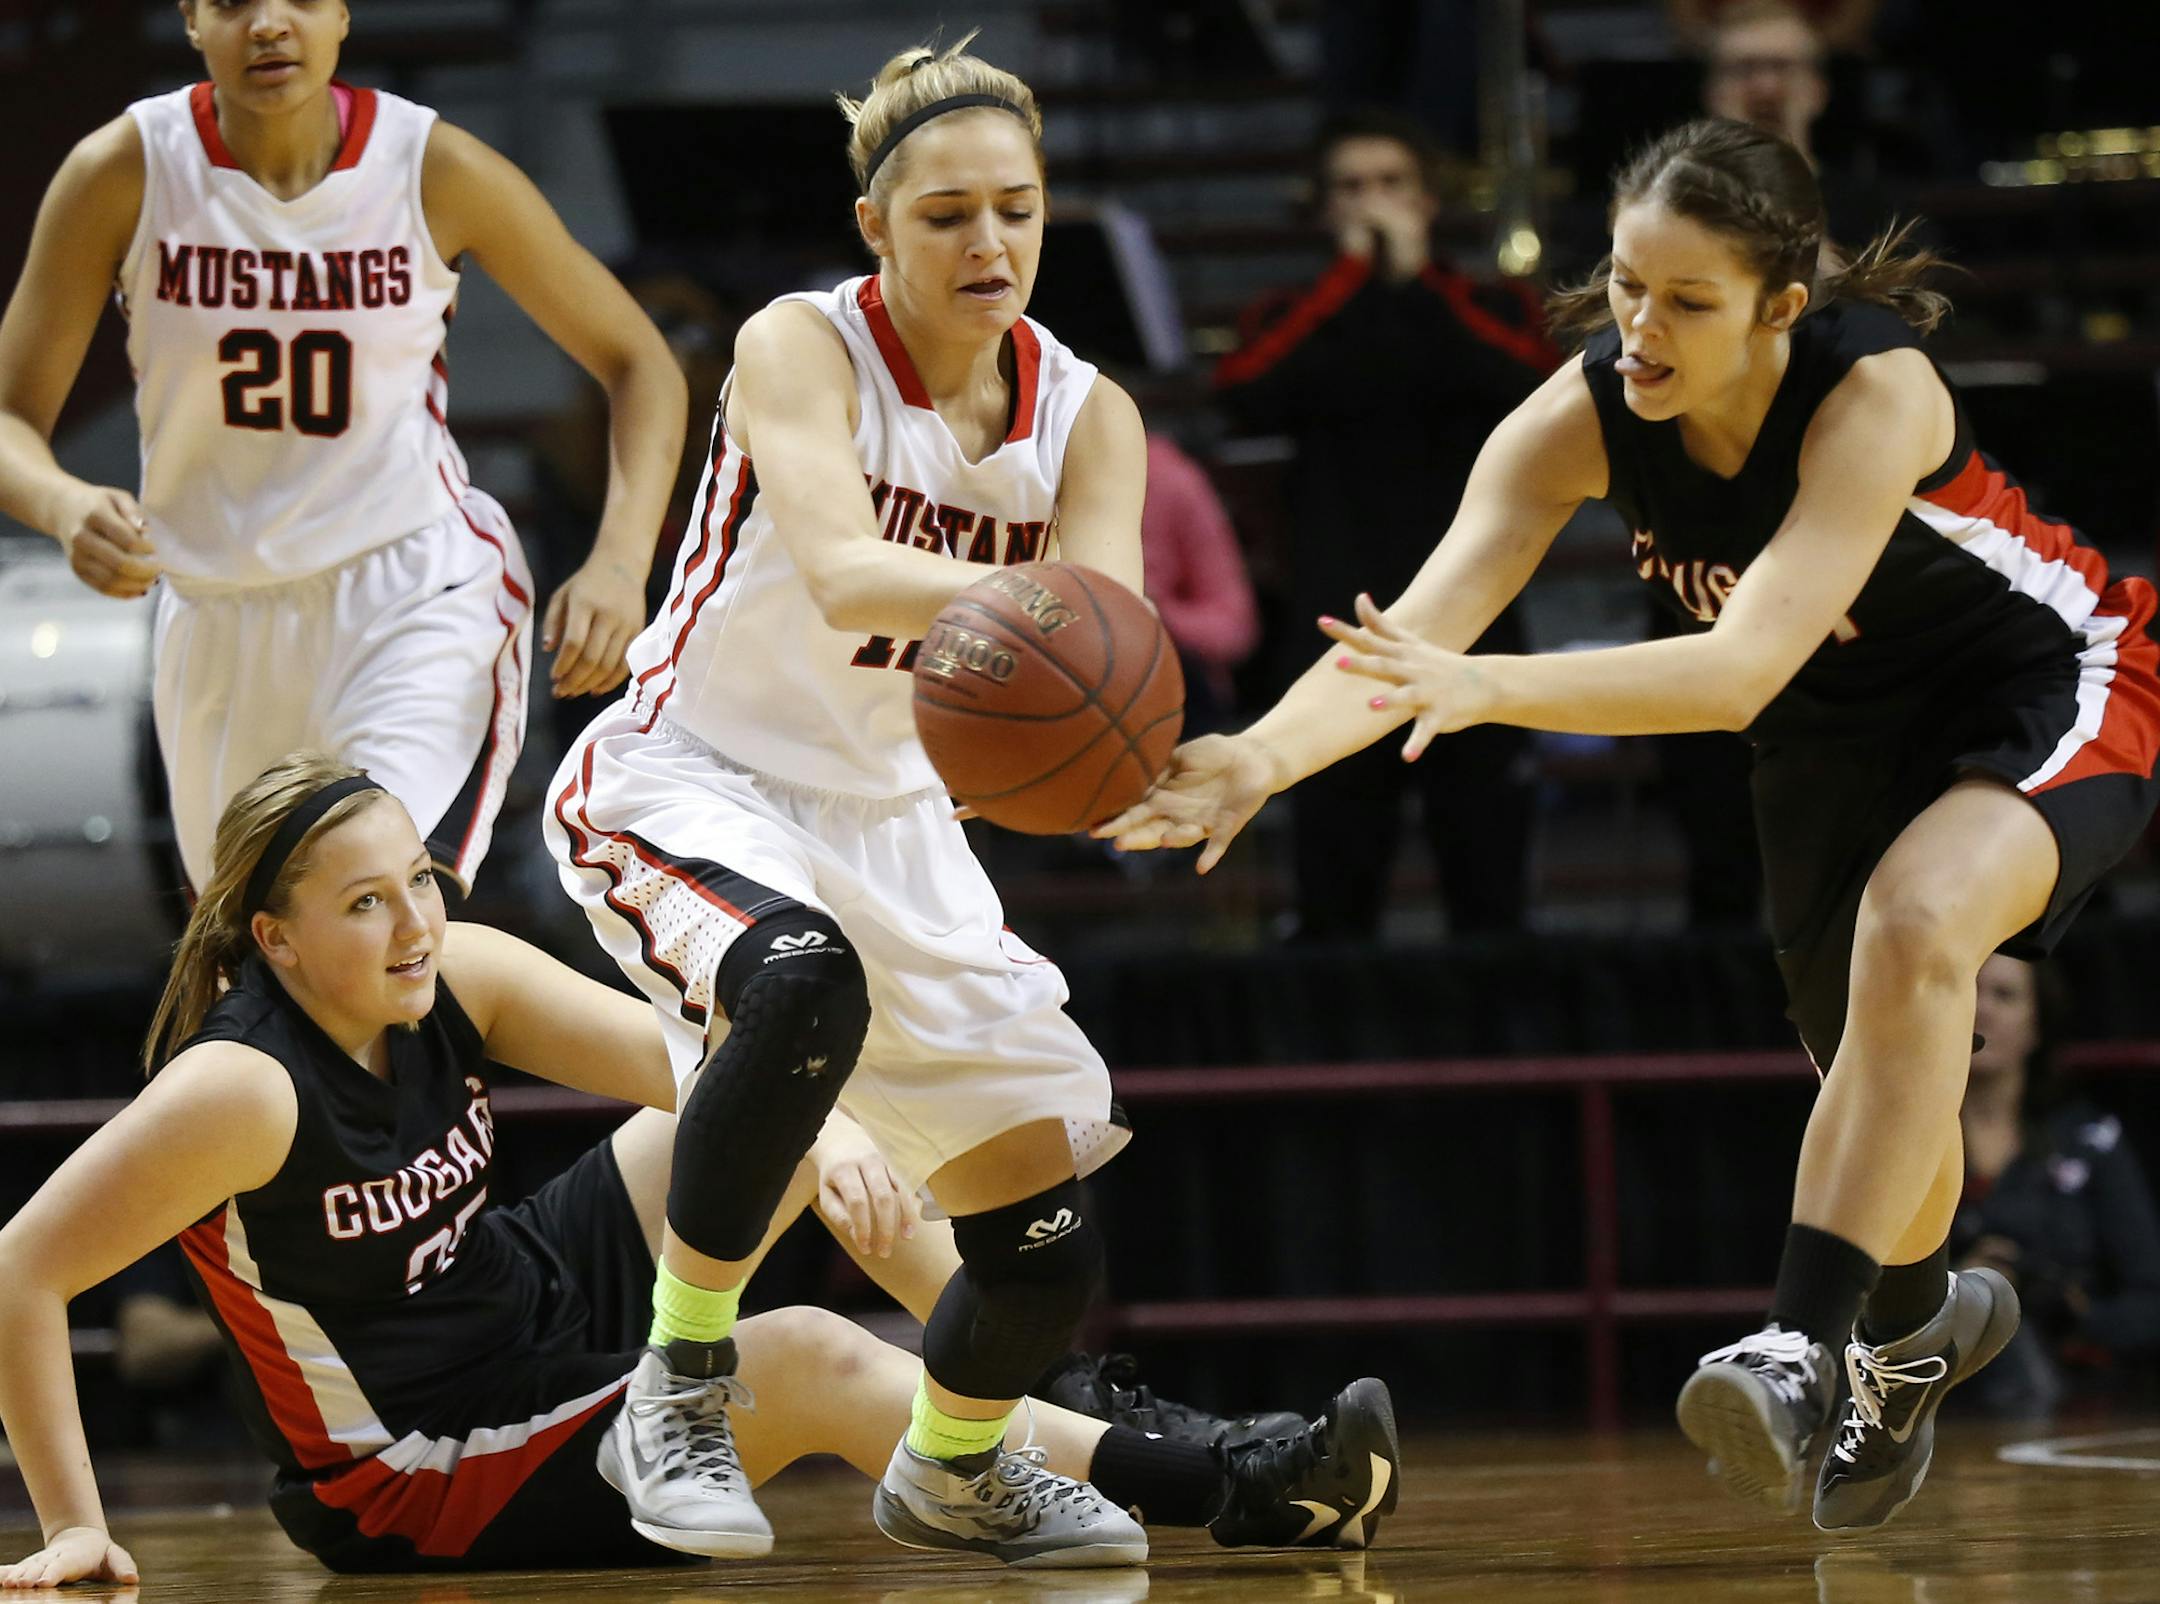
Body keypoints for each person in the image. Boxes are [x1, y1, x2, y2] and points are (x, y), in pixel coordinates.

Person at [1101, 116, 2160, 1532]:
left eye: (1687, 301)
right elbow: (1411, 634)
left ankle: (1800, 1346)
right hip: (1832, 734)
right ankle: (1915, 1333)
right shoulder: (1577, 415)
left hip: (2044, 680)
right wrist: (1259, 761)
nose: (1641, 328)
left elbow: (1731, 675)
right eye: (1625, 286)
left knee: (1918, 930)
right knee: (1871, 1064)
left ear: (1782, 308)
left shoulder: (1872, 392)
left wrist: (1481, 691)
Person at [543, 36, 1379, 1569]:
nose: (990, 242)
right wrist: (1051, 614)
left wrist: (1154, 737)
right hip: (696, 775)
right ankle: (676, 1378)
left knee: (1036, 1237)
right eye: (946, 216)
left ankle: (955, 1463)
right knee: (799, 987)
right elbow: (861, 569)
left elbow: (1109, 632)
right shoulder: (804, 344)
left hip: (898, 828)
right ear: (877, 225)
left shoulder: (1089, 412)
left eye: (1019, 208)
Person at [0, 755, 1401, 1588]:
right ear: (275, 940)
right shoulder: (241, 1089)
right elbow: (23, 1267)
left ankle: (1051, 1388)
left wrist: (832, 1129)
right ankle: (1230, 1479)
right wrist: (71, 1525)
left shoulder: (453, 974)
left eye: (420, 879)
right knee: (795, 1349)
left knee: (781, 1107)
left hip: (527, 1300)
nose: (415, 921)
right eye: (364, 904)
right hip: (416, 1466)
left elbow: (702, 1063)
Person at [0, 0, 686, 896]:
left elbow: (640, 361)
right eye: (234, 2)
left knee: (378, 900)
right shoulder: (123, 171)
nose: (269, 24)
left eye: (300, 0)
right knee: (270, 968)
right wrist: (62, 504)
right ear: (192, 21)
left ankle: (665, 1041)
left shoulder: (433, 167)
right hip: (216, 611)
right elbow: (11, 417)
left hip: (411, 591)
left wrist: (620, 562)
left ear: (344, 15)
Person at [1215, 108, 1554, 940]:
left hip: (1476, 617)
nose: (1373, 204)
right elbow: (1246, 387)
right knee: (1336, 875)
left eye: (1392, 184)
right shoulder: (1291, 309)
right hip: (1335, 619)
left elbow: (1538, 389)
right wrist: (1353, 281)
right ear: (1324, 207)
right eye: (1352, 188)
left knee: (1488, 880)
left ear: (1429, 199)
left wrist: (1417, 281)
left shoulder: (1486, 301)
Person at [1956, 956, 2160, 1418]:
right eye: (1968, 991)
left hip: (2074, 1394)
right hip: (1939, 1392)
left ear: (2037, 1026)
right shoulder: (1904, 1143)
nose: (1980, 1009)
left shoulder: (2089, 1140)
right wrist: (1953, 1291)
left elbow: (2151, 1298)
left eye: (2004, 996)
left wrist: (2072, 1314)